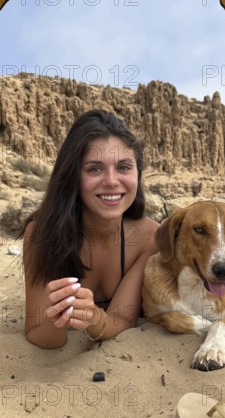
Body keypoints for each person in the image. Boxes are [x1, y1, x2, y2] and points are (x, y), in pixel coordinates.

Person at [22, 109, 158, 349]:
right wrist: (57, 319)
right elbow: (36, 332)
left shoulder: (148, 238)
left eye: (124, 167)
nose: (112, 181)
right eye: (94, 168)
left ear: (138, 173)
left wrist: (94, 318)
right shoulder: (43, 235)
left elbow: (122, 318)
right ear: (73, 176)